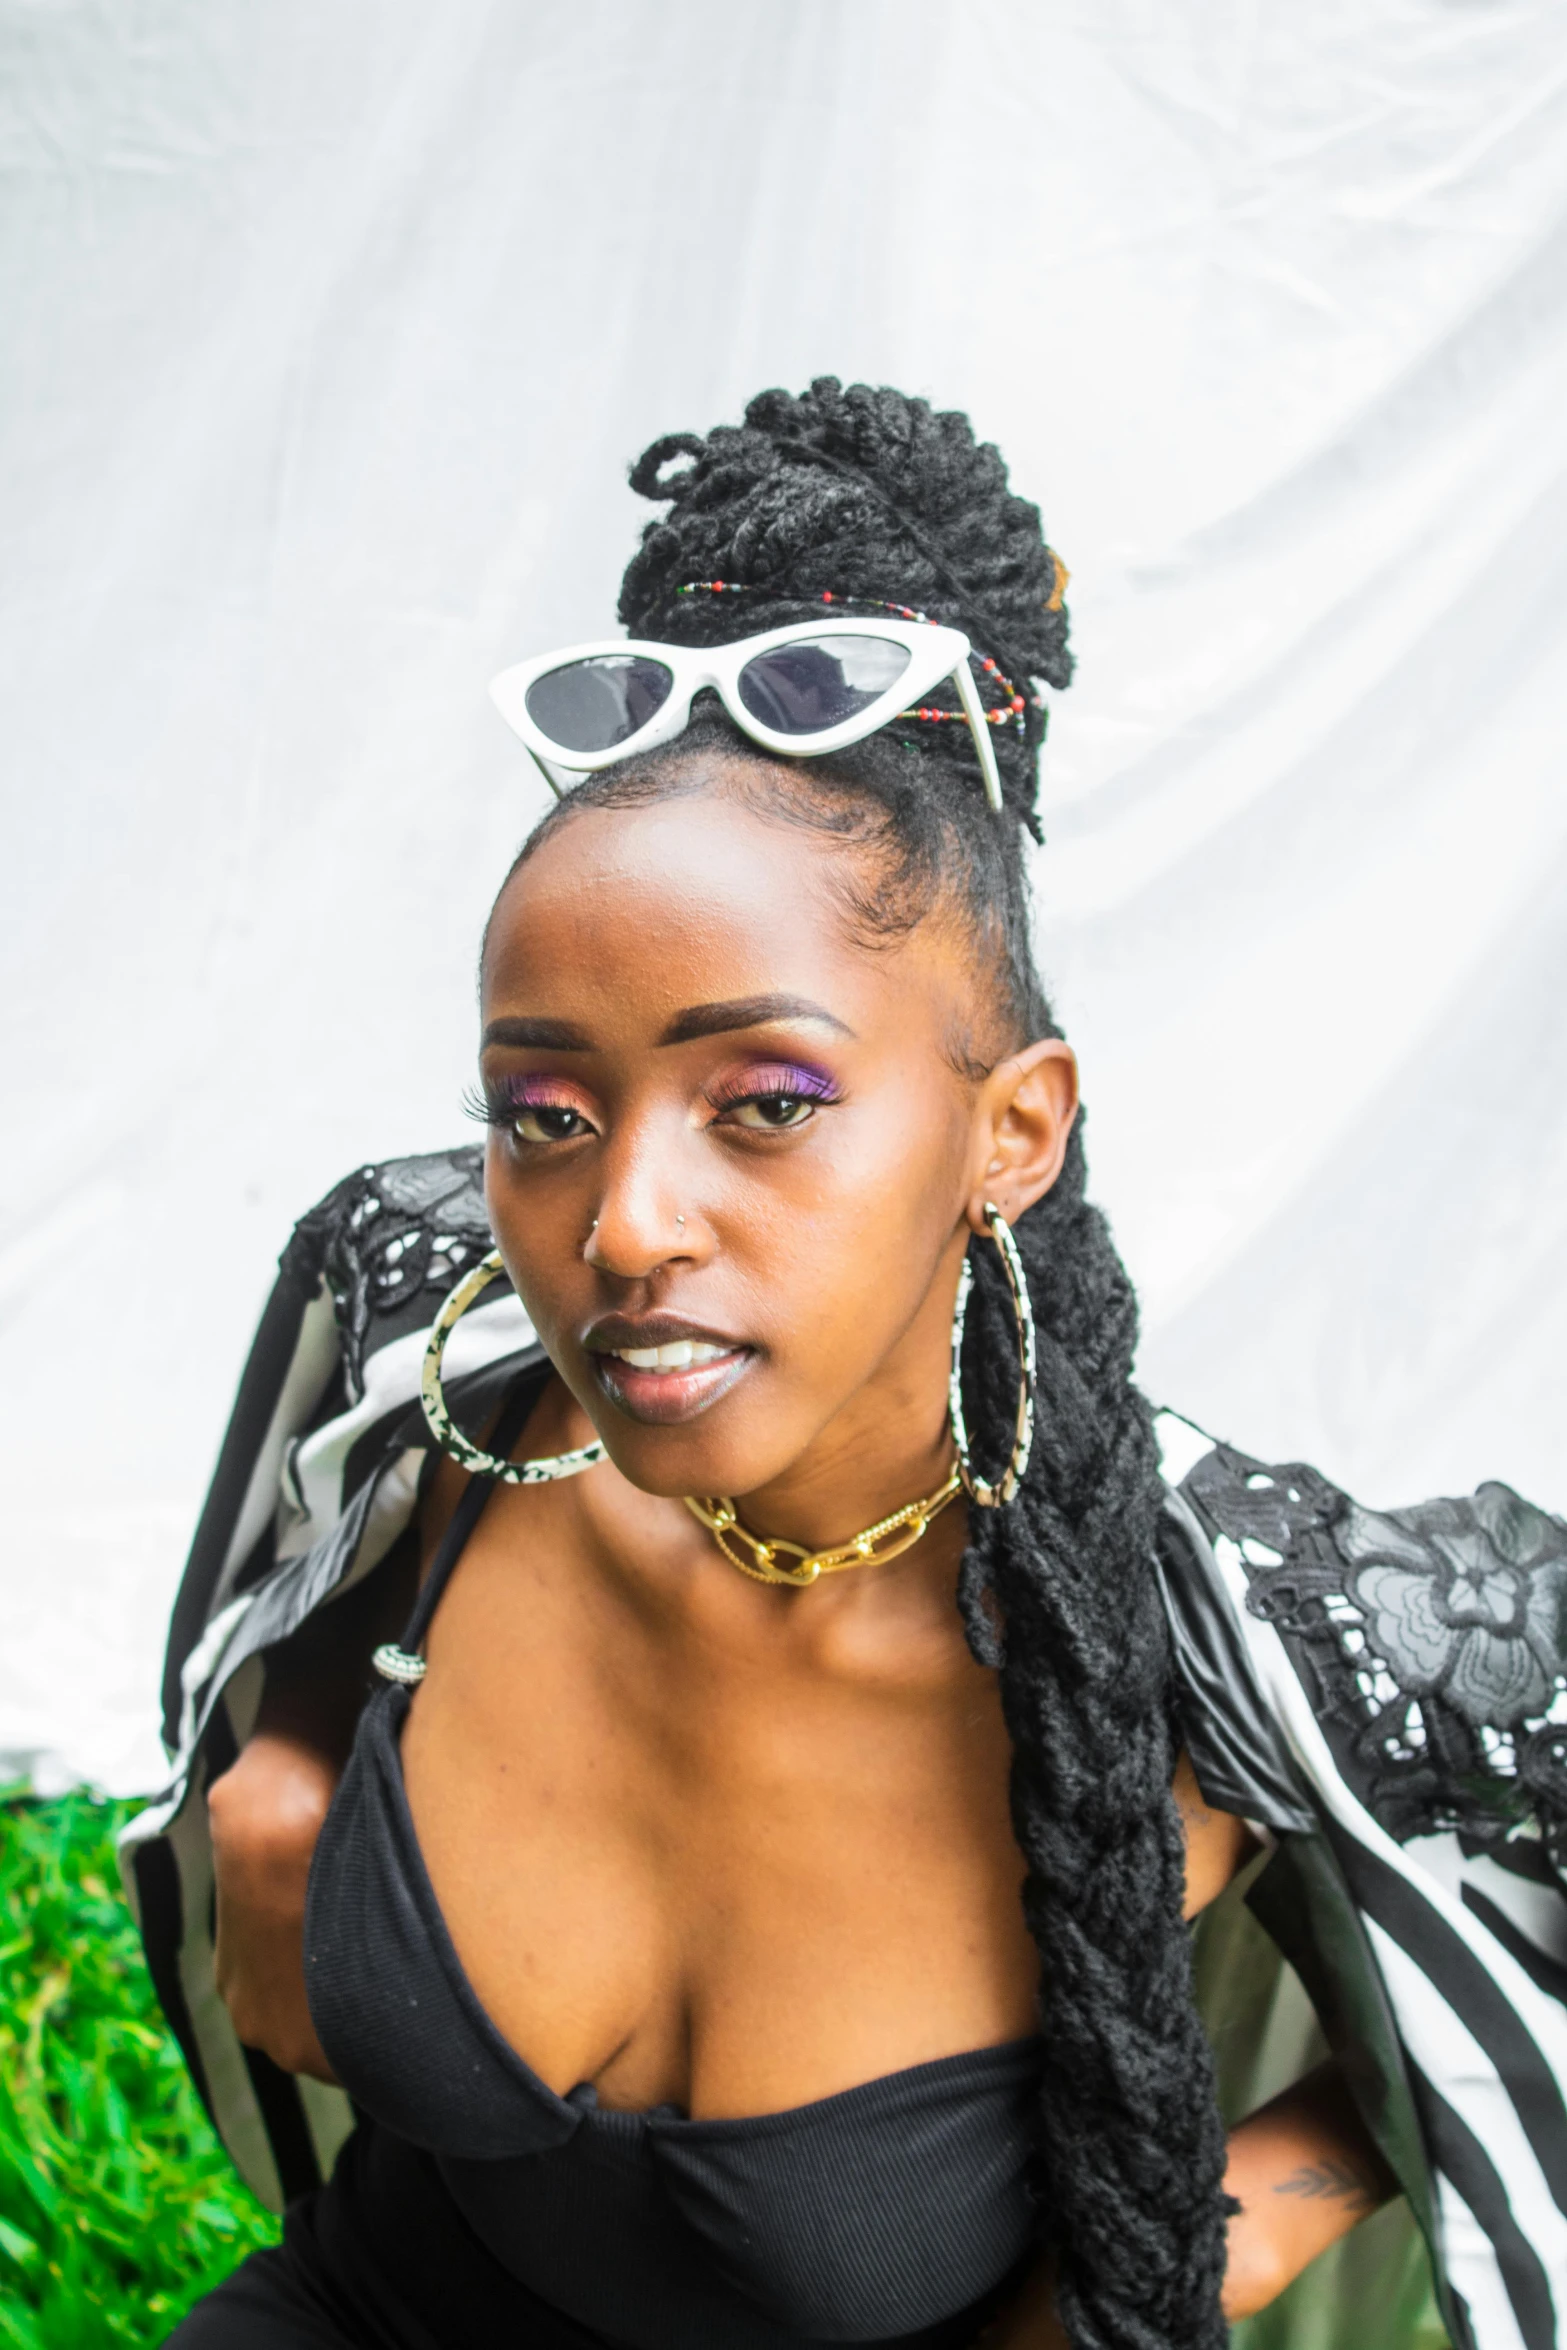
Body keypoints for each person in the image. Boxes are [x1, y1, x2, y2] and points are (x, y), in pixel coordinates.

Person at [125, 379, 1567, 2350]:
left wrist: (1242, 2204)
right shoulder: (415, 1314)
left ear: (1013, 1127)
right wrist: (276, 1781)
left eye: (770, 1098)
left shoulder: (1219, 1632)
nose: (621, 1222)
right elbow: (264, 1586)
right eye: (544, 1111)